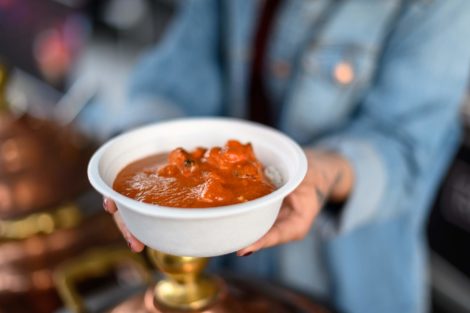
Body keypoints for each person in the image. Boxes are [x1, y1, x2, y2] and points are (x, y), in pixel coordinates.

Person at [90, 1, 470, 312]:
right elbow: (185, 63)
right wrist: (140, 149)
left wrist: (322, 174)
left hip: (351, 282)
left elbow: (406, 147)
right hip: (220, 253)